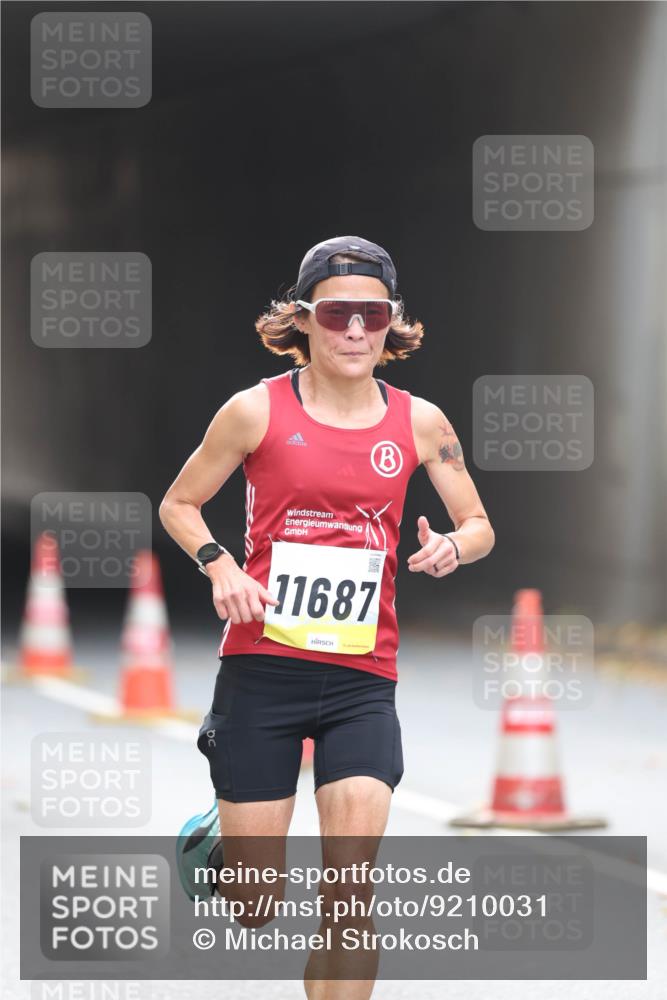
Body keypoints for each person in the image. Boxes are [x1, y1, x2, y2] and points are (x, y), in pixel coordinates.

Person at [160, 235, 495, 998]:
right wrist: (219, 564)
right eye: (338, 312)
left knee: (350, 895)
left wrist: (452, 547)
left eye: (371, 315)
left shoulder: (421, 423)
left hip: (361, 681)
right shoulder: (254, 411)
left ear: (390, 324)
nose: (354, 330)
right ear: (304, 320)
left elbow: (478, 526)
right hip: (260, 671)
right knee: (254, 906)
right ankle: (218, 836)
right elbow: (179, 503)